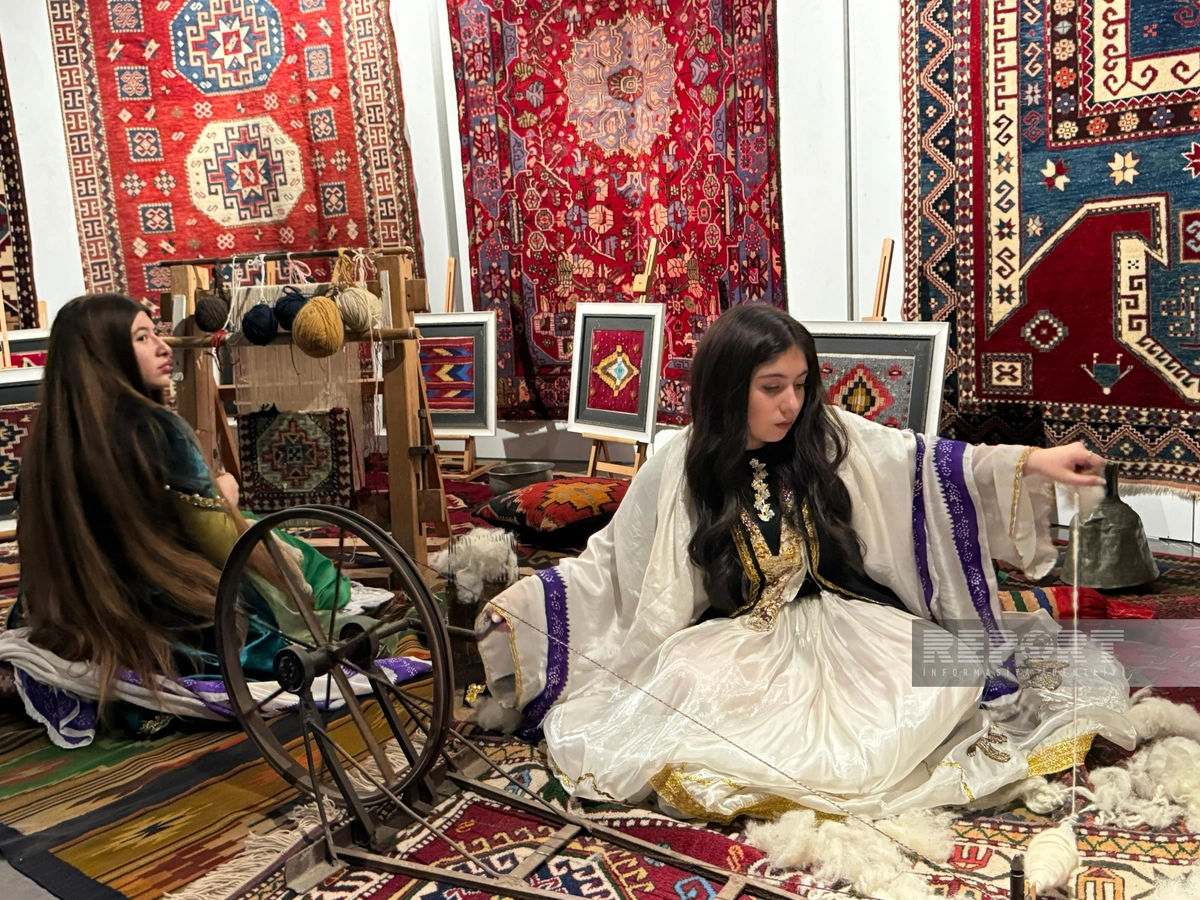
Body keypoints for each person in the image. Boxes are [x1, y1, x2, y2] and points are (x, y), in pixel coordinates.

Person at [476, 304, 1137, 821]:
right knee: (685, 691)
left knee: (948, 674)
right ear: (728, 388)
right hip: (742, 640)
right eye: (772, 388)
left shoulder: (827, 435)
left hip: (851, 627)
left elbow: (926, 462)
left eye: (798, 385)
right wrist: (527, 607)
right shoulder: (679, 461)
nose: (790, 404)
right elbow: (612, 567)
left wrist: (1033, 462)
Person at [5, 293, 384, 741]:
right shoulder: (155, 430)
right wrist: (227, 499)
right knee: (282, 564)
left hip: (76, 621)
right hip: (161, 626)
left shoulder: (43, 447)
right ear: (104, 353)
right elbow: (221, 540)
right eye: (142, 338)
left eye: (156, 333)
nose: (163, 346)